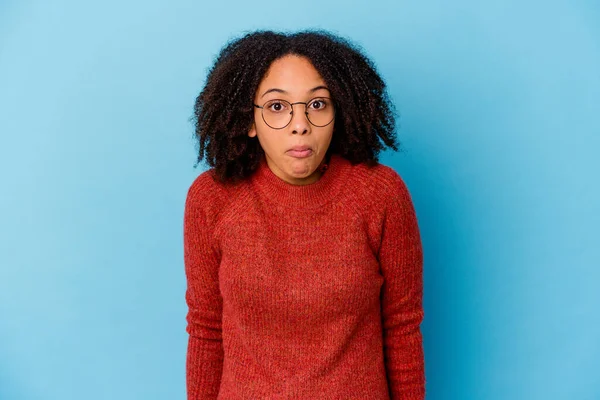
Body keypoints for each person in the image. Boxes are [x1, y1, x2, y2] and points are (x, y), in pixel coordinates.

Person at [183, 29, 425, 399]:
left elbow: (402, 327)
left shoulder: (381, 194)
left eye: (317, 104)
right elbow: (206, 330)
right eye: (277, 106)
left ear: (338, 112)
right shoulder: (211, 199)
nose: (300, 124)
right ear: (249, 121)